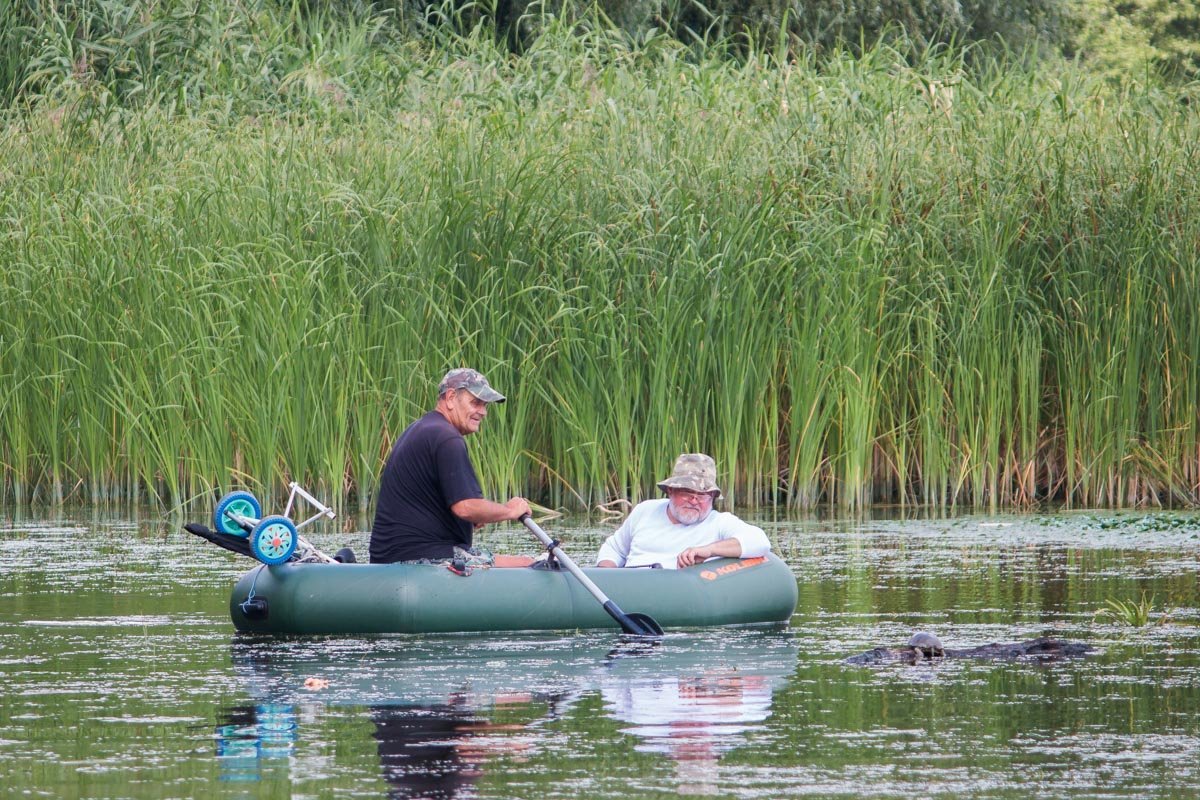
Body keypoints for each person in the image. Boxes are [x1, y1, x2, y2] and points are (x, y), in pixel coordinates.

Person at [370, 368, 531, 566]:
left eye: (485, 405)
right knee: (528, 563)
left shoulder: (423, 428)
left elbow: (429, 500)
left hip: (393, 557)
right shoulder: (447, 438)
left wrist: (468, 519)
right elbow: (465, 507)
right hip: (419, 559)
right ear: (451, 397)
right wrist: (509, 511)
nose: (483, 412)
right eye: (476, 403)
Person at [595, 453, 771, 570]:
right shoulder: (645, 510)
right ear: (671, 491)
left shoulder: (719, 522)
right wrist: (608, 579)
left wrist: (708, 550)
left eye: (703, 495)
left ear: (712, 497)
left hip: (679, 598)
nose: (694, 501)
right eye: (687, 492)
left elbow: (760, 541)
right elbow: (614, 549)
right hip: (628, 591)